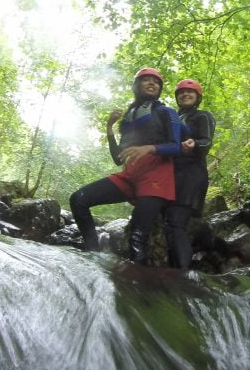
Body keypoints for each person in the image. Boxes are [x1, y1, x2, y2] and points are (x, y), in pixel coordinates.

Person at [69, 67, 182, 264]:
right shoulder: (129, 118)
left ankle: (135, 283)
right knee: (78, 199)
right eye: (146, 80)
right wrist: (109, 128)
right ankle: (92, 255)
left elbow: (175, 147)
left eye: (155, 81)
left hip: (156, 176)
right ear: (137, 86)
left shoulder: (166, 112)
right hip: (130, 175)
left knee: (137, 237)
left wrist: (149, 148)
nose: (151, 83)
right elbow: (118, 158)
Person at [164, 79, 216, 269]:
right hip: (172, 175)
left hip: (191, 174)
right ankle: (175, 272)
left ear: (197, 97)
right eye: (181, 93)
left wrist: (194, 145)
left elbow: (206, 142)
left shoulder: (202, 116)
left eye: (190, 92)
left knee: (176, 223)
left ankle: (184, 277)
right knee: (169, 223)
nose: (185, 95)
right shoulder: (172, 119)